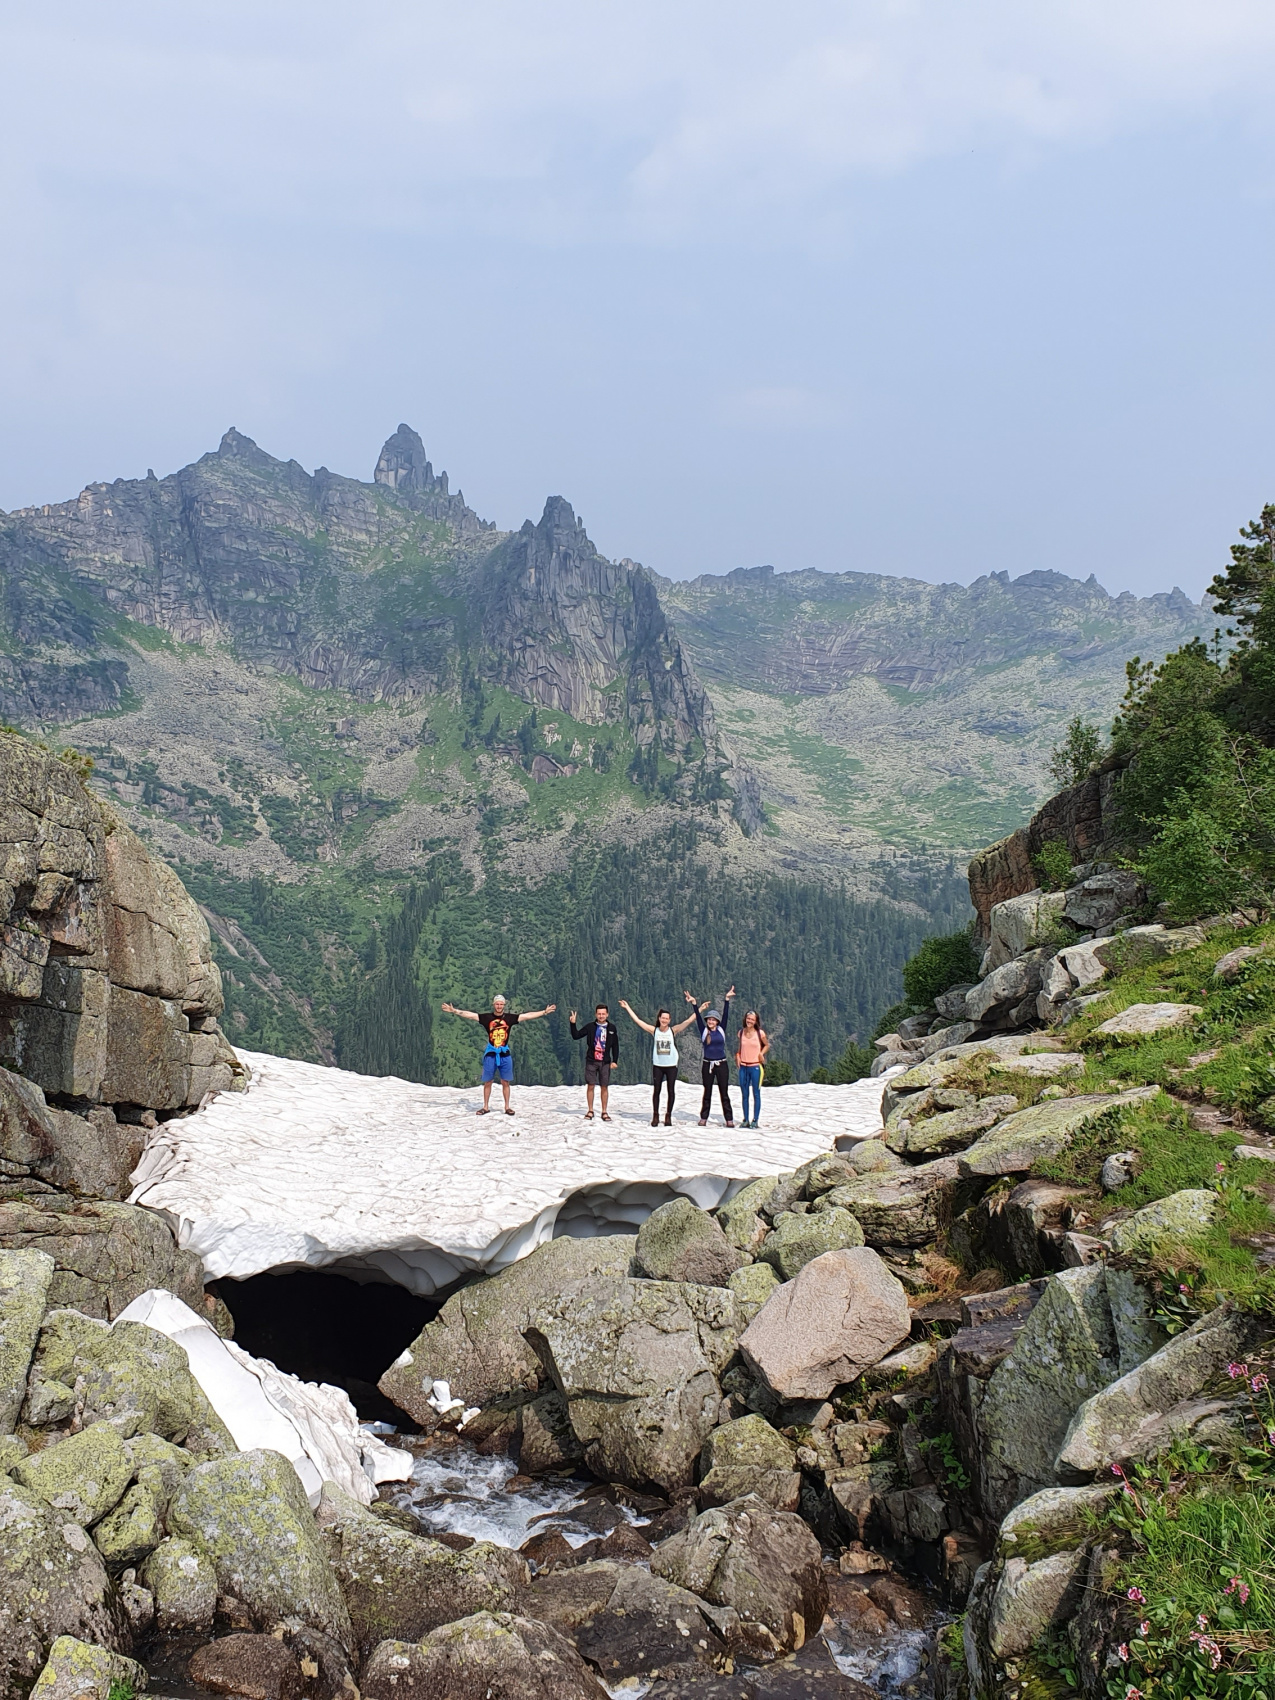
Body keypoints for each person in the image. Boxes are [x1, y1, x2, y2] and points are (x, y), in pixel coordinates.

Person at [439, 993, 556, 1117]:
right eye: (497, 1004)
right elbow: (471, 1015)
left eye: (501, 1004)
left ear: (504, 1005)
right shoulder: (487, 1018)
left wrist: (544, 1012)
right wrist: (454, 1011)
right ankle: (485, 1106)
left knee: (505, 1081)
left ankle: (507, 1107)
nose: (499, 1006)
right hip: (491, 1053)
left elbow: (526, 1016)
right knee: (488, 1081)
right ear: (493, 1005)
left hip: (504, 1053)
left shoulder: (510, 1018)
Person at [618, 998, 699, 1126]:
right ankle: (655, 1115)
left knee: (671, 1091)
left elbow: (688, 1021)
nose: (665, 1020)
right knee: (657, 1090)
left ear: (669, 1020)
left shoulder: (673, 1030)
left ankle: (668, 1115)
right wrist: (627, 1007)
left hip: (671, 1065)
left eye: (667, 1018)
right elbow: (638, 1021)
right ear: (659, 1018)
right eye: (663, 1018)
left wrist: (699, 1009)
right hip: (658, 1065)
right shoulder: (654, 1030)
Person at [685, 985, 735, 1127]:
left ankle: (729, 1119)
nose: (710, 1022)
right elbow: (698, 1018)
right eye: (709, 1020)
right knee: (707, 1092)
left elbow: (726, 1015)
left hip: (722, 1064)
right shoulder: (703, 1031)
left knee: (723, 1092)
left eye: (713, 1020)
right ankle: (704, 1117)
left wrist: (726, 1000)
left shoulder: (721, 1029)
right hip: (707, 1064)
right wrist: (694, 1004)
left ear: (717, 1021)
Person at [569, 1003, 620, 1121]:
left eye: (603, 1014)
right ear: (596, 1014)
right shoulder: (590, 1027)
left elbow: (615, 1045)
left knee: (604, 1086)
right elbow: (576, 1036)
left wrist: (615, 1060)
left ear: (607, 1014)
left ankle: (604, 1111)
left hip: (605, 1061)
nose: (601, 1016)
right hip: (592, 1060)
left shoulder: (612, 1028)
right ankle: (590, 1110)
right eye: (599, 1014)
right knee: (591, 1085)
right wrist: (573, 1023)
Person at [734, 1008, 770, 1128]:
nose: (749, 1021)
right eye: (748, 1018)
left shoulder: (760, 1033)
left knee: (756, 1093)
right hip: (743, 1066)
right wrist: (738, 1056)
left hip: (755, 1066)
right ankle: (745, 1119)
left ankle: (755, 1119)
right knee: (744, 1094)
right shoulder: (741, 1033)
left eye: (752, 1019)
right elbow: (740, 1048)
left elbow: (766, 1045)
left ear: (755, 1021)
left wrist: (761, 1053)